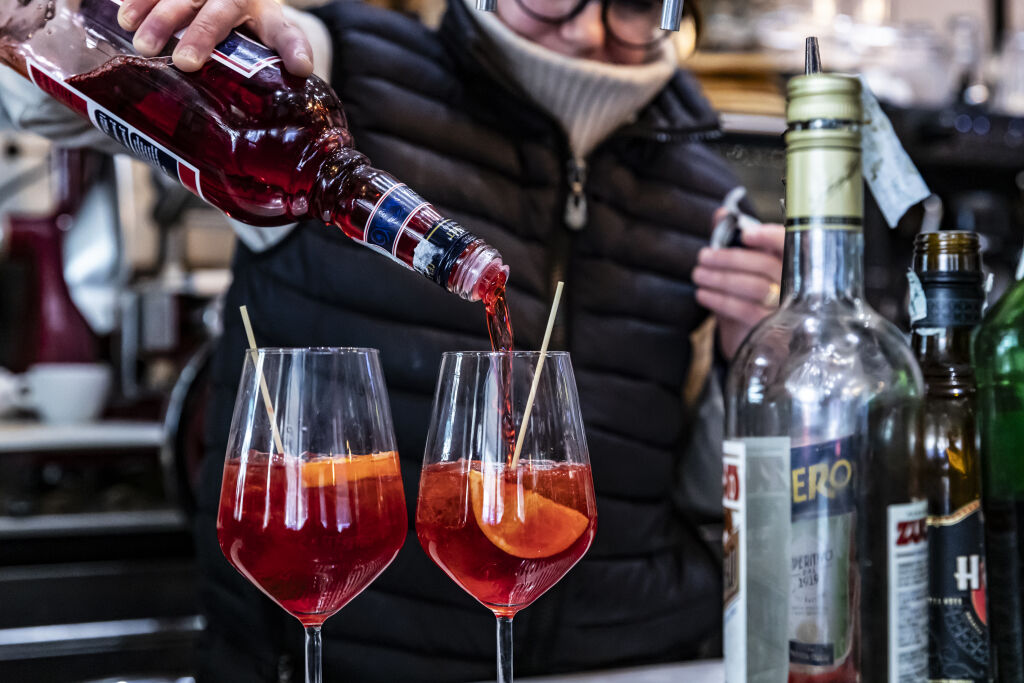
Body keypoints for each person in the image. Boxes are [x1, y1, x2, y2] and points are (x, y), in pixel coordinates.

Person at [0, 0, 785, 678]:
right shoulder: (336, 76)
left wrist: (755, 357)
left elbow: (713, 495)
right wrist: (168, 23)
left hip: (627, 662)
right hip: (331, 661)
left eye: (639, 5)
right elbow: (48, 96)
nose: (586, 32)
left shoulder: (710, 191)